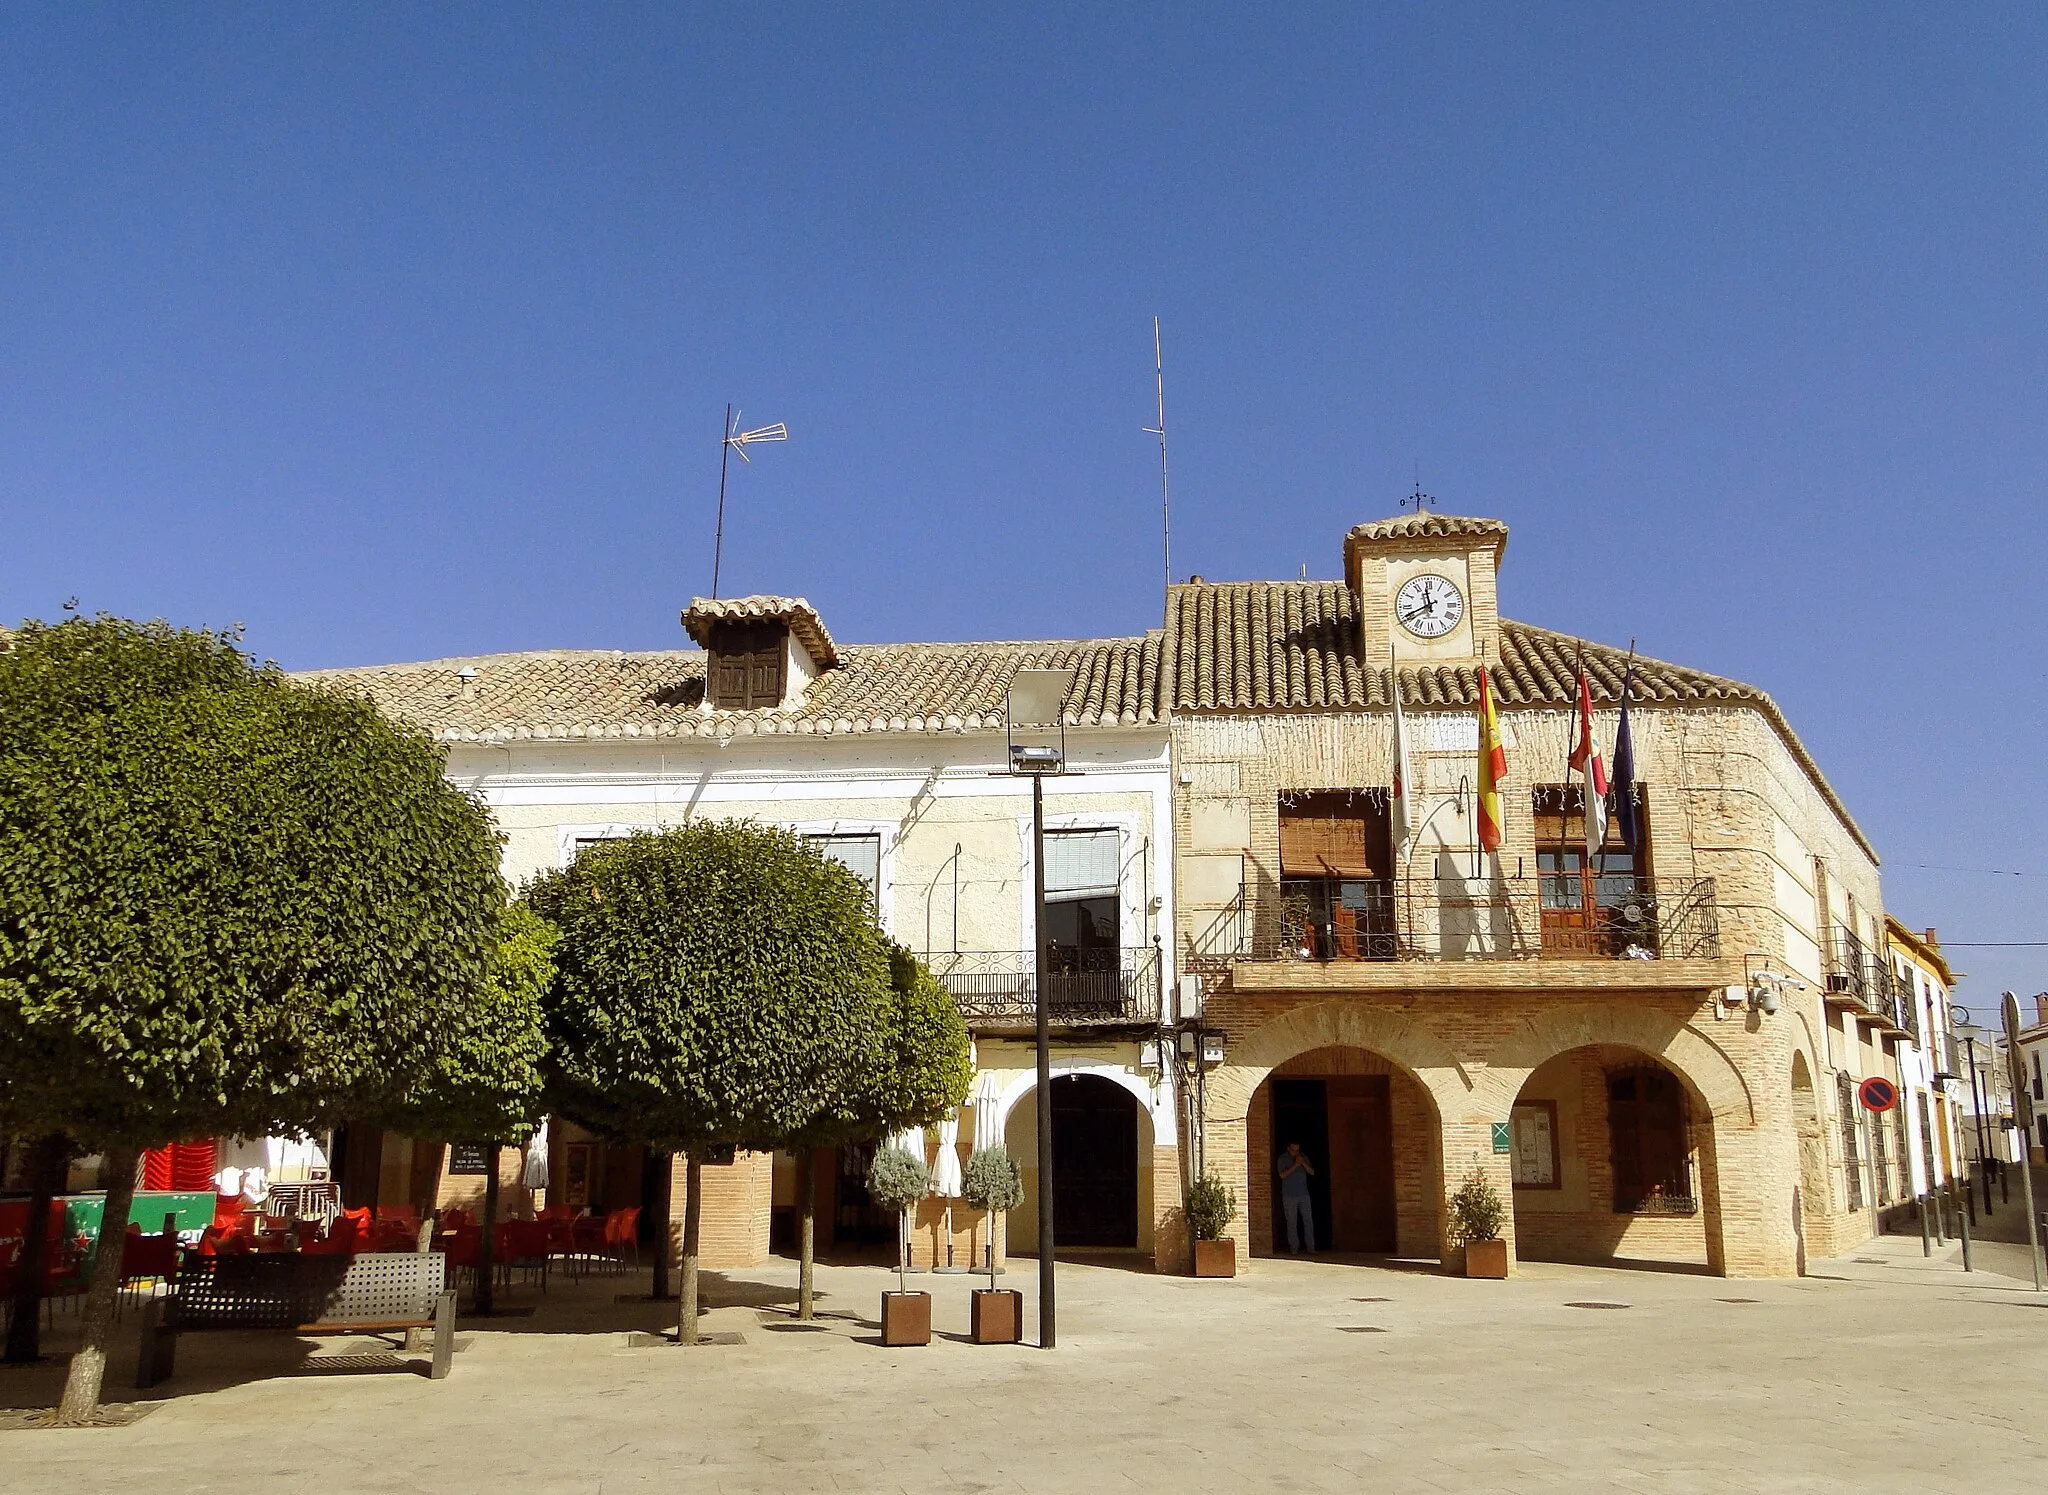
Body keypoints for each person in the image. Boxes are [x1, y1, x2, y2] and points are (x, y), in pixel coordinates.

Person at [1276, 1142, 1316, 1253]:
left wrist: (1303, 1163)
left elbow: (1312, 1172)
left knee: (1308, 1221)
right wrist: (1295, 1165)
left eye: (1297, 1150)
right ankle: (1294, 1248)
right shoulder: (1282, 1159)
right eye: (1293, 1150)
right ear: (1288, 1149)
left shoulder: (1303, 1157)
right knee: (1292, 1222)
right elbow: (1282, 1175)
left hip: (1304, 1194)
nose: (1296, 1153)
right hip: (1289, 1195)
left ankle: (1311, 1248)